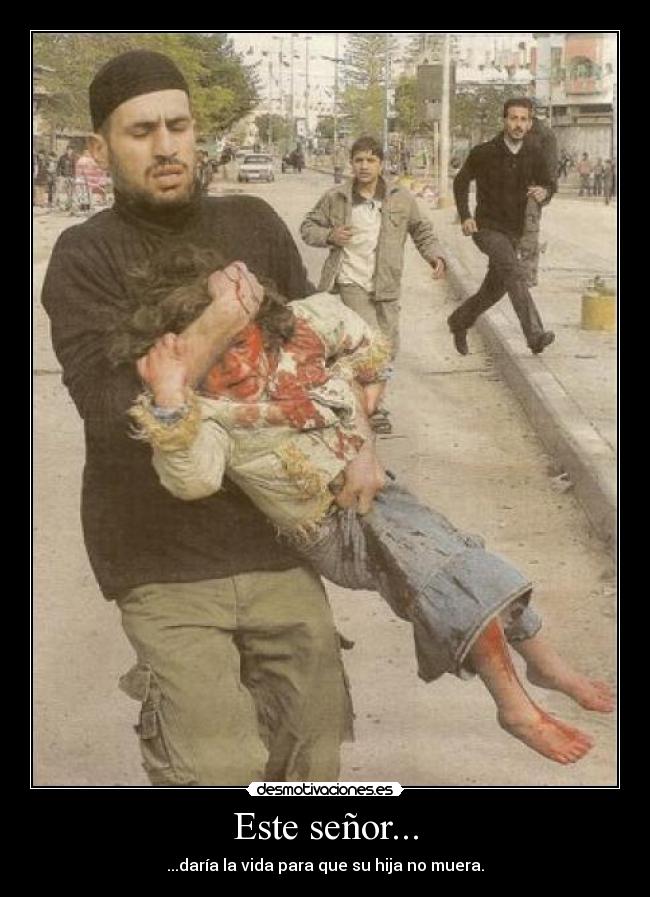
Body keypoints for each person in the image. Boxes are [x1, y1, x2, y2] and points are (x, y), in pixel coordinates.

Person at [118, 247, 613, 766]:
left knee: (464, 561)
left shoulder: (302, 331)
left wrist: (365, 400)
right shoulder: (211, 413)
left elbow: (361, 342)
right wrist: (170, 398)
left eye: (241, 342)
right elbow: (193, 479)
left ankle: (542, 663)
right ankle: (516, 702)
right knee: (443, 572)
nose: (237, 364)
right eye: (215, 357)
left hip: (377, 493)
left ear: (260, 324)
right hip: (328, 526)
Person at [41, 49, 365, 786]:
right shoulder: (82, 254)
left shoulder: (252, 220)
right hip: (160, 557)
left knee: (314, 756)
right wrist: (220, 321)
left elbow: (317, 352)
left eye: (178, 126)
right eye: (141, 131)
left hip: (277, 540)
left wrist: (361, 447)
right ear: (101, 148)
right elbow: (106, 408)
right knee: (213, 766)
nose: (165, 147)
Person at [300, 135, 447, 434]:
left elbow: (421, 230)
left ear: (381, 164)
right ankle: (372, 409)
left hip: (386, 286)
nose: (364, 166)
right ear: (351, 163)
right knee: (369, 346)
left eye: (370, 160)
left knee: (389, 349)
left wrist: (435, 256)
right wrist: (330, 235)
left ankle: (366, 401)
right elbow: (308, 228)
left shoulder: (400, 198)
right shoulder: (336, 198)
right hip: (350, 282)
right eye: (359, 160)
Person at [449, 98, 556, 356]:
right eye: (513, 118)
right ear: (504, 120)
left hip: (516, 232)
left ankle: (459, 321)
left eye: (523, 119)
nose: (518, 124)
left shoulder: (535, 154)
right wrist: (465, 216)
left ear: (530, 123)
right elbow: (461, 182)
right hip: (486, 228)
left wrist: (546, 191)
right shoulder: (484, 152)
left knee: (494, 290)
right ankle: (535, 335)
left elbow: (549, 184)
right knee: (513, 271)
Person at [519, 102, 558, 287]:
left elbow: (551, 170)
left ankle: (527, 276)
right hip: (508, 193)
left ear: (532, 114)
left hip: (531, 193)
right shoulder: (511, 131)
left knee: (528, 235)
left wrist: (547, 191)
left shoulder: (545, 135)